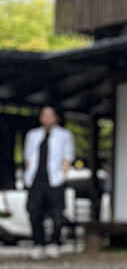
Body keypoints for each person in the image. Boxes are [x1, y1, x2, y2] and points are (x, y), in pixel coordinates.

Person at [23, 106, 75, 259]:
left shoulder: (64, 135)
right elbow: (28, 157)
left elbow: (68, 156)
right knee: (34, 212)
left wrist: (62, 175)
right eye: (44, 115)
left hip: (55, 179)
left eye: (50, 115)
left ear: (56, 118)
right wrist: (28, 174)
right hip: (36, 179)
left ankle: (54, 243)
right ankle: (38, 243)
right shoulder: (32, 135)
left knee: (57, 213)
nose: (46, 118)